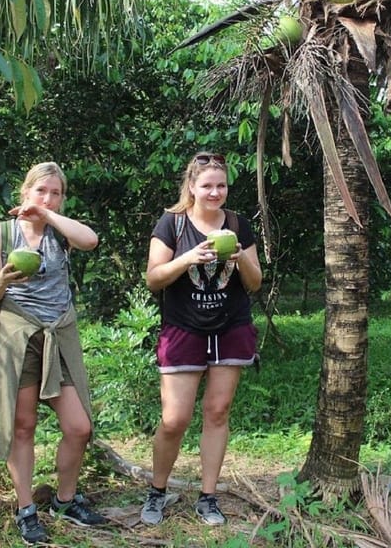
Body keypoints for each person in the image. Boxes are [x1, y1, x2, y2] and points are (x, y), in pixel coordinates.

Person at [0, 162, 105, 545]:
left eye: (55, 193)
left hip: (58, 334)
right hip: (19, 336)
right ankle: (26, 510)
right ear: (25, 192)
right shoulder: (0, 234)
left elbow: (91, 241)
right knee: (24, 426)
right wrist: (3, 278)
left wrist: (49, 215)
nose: (47, 198)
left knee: (78, 426)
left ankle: (65, 501)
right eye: (41, 192)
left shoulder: (60, 232)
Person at [142, 152, 262, 527]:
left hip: (230, 326)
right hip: (183, 327)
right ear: (192, 187)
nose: (215, 192)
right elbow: (153, 278)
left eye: (221, 185)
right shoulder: (172, 224)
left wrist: (240, 256)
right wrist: (188, 258)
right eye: (207, 185)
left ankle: (208, 497)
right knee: (175, 419)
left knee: (217, 412)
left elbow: (255, 282)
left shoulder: (239, 225)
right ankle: (157, 491)